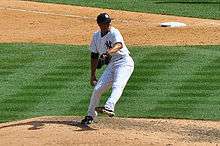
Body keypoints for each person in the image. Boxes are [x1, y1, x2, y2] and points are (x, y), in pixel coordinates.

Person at [81, 13, 134, 125]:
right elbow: (94, 56)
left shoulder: (114, 32)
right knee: (97, 89)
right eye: (106, 23)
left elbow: (119, 45)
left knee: (117, 85)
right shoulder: (96, 36)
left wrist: (108, 52)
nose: (109, 24)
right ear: (99, 24)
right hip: (112, 65)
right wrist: (93, 75)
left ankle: (109, 106)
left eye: (109, 21)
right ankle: (90, 116)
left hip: (124, 62)